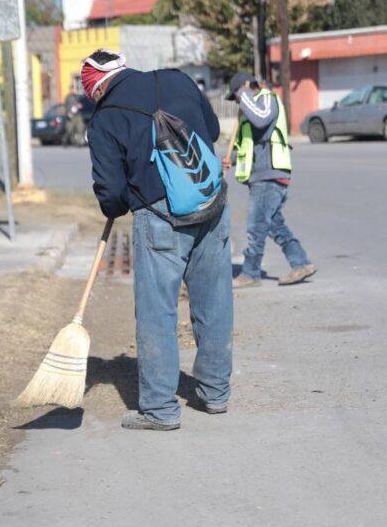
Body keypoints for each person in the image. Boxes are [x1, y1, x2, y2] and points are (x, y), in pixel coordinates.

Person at [84, 49, 231, 432]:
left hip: (161, 215)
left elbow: (112, 193)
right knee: (214, 301)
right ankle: (216, 394)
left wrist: (114, 206)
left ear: (96, 89)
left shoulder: (104, 118)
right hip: (210, 202)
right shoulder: (178, 79)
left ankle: (160, 409)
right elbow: (211, 131)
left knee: (157, 313)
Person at [223, 72, 316, 288]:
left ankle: (250, 273)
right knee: (273, 224)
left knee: (256, 225)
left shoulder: (266, 99)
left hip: (270, 175)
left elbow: (262, 118)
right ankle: (301, 262)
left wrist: (244, 93)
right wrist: (230, 159)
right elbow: (249, 145)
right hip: (261, 175)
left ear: (246, 88)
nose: (237, 101)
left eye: (236, 96)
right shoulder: (249, 110)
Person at [63, 79, 86, 146]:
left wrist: (80, 106)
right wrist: (67, 113)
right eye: (72, 89)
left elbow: (81, 104)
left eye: (74, 89)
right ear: (70, 90)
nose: (73, 90)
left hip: (77, 115)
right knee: (69, 130)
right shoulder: (68, 98)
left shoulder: (77, 97)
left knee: (80, 128)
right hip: (71, 115)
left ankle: (79, 143)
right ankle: (64, 141)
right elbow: (66, 106)